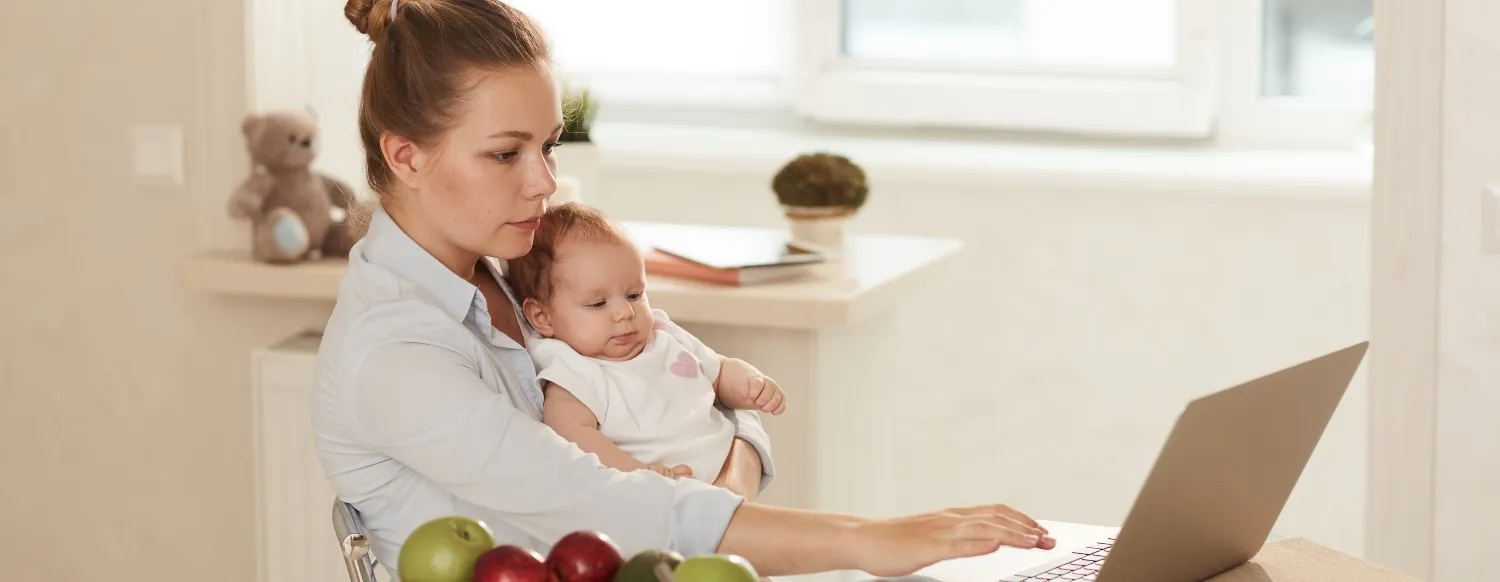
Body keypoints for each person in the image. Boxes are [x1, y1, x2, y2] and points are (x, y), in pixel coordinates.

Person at [312, 0, 1058, 578]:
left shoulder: (513, 273)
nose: (543, 182)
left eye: (547, 146)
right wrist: (866, 539)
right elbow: (594, 502)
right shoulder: (395, 353)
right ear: (405, 155)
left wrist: (728, 464)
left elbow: (700, 390)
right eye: (506, 154)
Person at [505, 202, 787, 483]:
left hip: (730, 472)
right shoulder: (575, 374)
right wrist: (638, 473)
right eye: (598, 303)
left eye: (634, 295)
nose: (625, 313)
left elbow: (719, 372)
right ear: (543, 317)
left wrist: (750, 383)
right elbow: (573, 437)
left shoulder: (663, 334)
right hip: (674, 496)